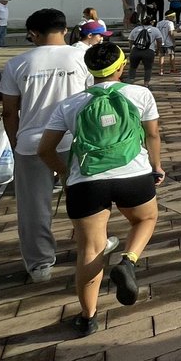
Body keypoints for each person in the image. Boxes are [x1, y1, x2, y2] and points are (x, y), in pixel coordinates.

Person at [37, 43, 164, 335]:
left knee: (90, 250)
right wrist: (156, 166)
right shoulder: (140, 94)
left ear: (90, 70)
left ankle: (88, 317)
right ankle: (128, 261)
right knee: (145, 219)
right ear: (121, 67)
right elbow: (152, 134)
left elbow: (44, 150)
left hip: (86, 181)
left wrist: (65, 172)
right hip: (133, 175)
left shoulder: (70, 104)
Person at [0, 8, 95, 281]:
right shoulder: (82, 58)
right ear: (64, 30)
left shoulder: (18, 63)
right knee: (85, 197)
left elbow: (9, 111)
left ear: (33, 33)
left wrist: (16, 142)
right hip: (74, 139)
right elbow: (93, 98)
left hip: (31, 142)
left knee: (33, 205)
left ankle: (40, 263)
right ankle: (92, 246)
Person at [126, 17, 162, 88]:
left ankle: (130, 82)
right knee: (148, 68)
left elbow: (130, 40)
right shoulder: (155, 30)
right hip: (149, 51)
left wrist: (131, 49)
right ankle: (146, 84)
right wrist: (158, 50)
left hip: (136, 50)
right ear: (151, 22)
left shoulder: (136, 29)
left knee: (133, 67)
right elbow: (159, 41)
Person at [155, 11, 177, 76]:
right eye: (173, 16)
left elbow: (157, 32)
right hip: (169, 42)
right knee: (172, 55)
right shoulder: (170, 23)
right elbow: (171, 33)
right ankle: (173, 69)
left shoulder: (159, 23)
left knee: (161, 56)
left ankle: (161, 70)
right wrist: (173, 41)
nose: (173, 18)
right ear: (169, 16)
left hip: (161, 42)